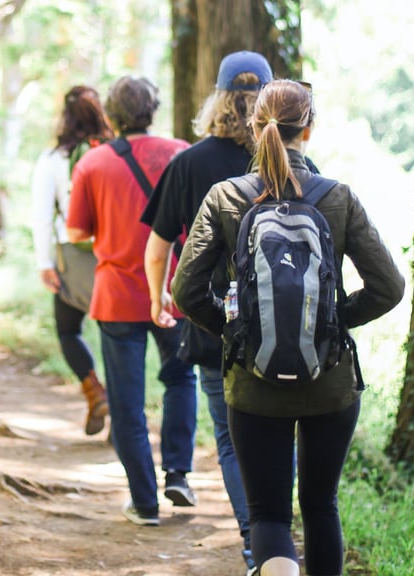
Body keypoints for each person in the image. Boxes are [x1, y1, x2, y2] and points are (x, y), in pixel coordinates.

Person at [172, 79, 405, 575]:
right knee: (321, 507)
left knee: (269, 514)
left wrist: (239, 333)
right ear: (309, 129)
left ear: (255, 129)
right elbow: (389, 286)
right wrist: (335, 324)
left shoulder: (224, 197)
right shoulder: (338, 197)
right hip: (332, 384)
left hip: (253, 386)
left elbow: (186, 291)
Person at [139, 50, 272, 570]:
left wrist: (158, 299)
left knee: (231, 436)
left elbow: (156, 249)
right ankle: (278, 536)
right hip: (290, 325)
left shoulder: (189, 163)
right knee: (280, 432)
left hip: (216, 323)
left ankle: (254, 543)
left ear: (217, 98)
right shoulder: (290, 160)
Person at [66, 76, 197, 527]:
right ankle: (178, 472)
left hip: (118, 296)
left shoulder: (93, 163)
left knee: (126, 403)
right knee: (181, 380)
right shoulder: (181, 153)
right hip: (175, 291)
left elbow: (76, 232)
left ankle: (144, 503)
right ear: (153, 109)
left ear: (112, 115)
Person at [30, 85, 115, 436]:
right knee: (116, 336)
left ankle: (94, 389)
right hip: (115, 256)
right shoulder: (116, 152)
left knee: (68, 330)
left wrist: (44, 263)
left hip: (71, 256)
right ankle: (122, 414)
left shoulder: (53, 159)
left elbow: (40, 215)